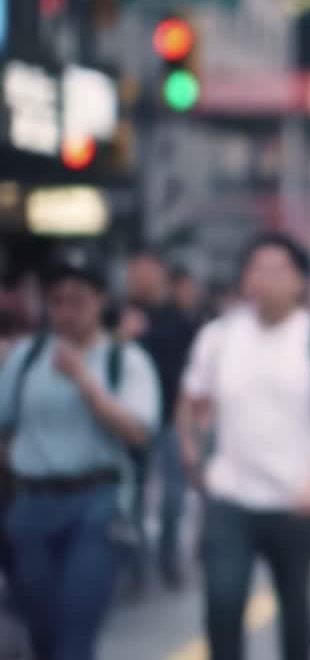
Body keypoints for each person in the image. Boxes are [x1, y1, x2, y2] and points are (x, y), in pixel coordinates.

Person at [178, 233, 310, 660]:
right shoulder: (218, 338)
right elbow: (191, 401)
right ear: (244, 279)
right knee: (222, 602)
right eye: (257, 268)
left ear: (300, 282)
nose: (266, 278)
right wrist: (190, 452)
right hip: (229, 495)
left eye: (279, 270)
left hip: (295, 499)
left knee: (294, 605)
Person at [0, 250, 161, 660]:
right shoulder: (26, 358)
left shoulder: (123, 360)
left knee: (76, 631)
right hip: (32, 503)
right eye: (57, 301)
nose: (66, 311)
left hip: (95, 504)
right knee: (40, 629)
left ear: (99, 301)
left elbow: (139, 432)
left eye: (77, 300)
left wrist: (85, 382)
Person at [122, 250, 199, 590]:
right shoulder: (121, 315)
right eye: (134, 272)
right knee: (133, 496)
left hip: (170, 420)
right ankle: (136, 567)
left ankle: (168, 560)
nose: (139, 279)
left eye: (145, 272)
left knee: (173, 498)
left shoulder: (181, 318)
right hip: (132, 421)